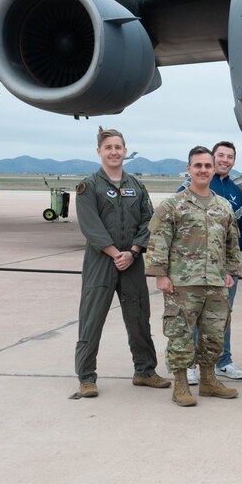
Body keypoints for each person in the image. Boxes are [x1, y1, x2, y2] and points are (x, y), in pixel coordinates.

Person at [74, 127, 169, 398]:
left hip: (133, 261)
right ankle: (86, 377)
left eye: (118, 147)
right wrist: (116, 253)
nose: (114, 152)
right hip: (101, 262)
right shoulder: (89, 186)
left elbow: (148, 220)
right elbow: (91, 227)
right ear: (99, 152)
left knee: (139, 318)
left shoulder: (136, 185)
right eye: (108, 147)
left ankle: (145, 371)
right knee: (91, 320)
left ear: (125, 151)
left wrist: (134, 251)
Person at [145, 146, 242, 407]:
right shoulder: (173, 205)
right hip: (182, 285)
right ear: (189, 169)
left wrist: (232, 272)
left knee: (213, 335)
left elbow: (233, 243)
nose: (203, 170)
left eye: (207, 166)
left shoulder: (223, 207)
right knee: (180, 336)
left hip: (216, 283)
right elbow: (158, 241)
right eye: (197, 165)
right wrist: (160, 275)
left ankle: (209, 380)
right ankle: (180, 385)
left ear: (213, 169)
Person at [176, 141, 242, 383]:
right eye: (221, 155)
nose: (225, 160)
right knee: (193, 315)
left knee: (222, 316)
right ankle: (189, 365)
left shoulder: (236, 192)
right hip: (195, 266)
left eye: (230, 157)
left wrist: (234, 248)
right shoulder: (189, 188)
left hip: (224, 267)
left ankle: (223, 361)